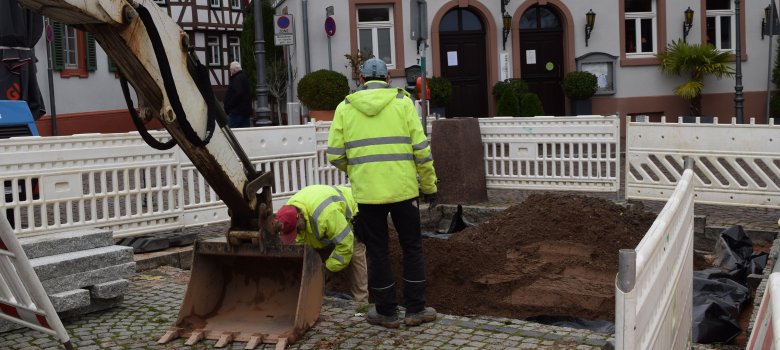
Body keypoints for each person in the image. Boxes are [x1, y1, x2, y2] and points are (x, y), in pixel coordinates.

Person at [326, 57, 438, 328]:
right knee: (412, 247)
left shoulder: (345, 107)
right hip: (404, 190)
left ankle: (386, 312)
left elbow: (334, 154)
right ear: (389, 79)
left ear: (361, 79)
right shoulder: (403, 103)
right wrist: (429, 187)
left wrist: (357, 170)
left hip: (367, 194)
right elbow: (421, 151)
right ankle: (415, 310)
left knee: (377, 251)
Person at [274, 185, 368, 303]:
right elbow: (303, 242)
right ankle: (321, 295)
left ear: (299, 218)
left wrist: (327, 269)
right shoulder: (288, 212)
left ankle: (361, 302)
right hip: (327, 224)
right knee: (320, 253)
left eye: (296, 230)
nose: (297, 233)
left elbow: (345, 244)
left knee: (355, 252)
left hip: (353, 216)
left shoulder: (325, 215)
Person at [223, 61, 252, 128]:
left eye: (230, 70)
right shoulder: (243, 77)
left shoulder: (237, 79)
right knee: (244, 133)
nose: (230, 72)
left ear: (234, 70)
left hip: (236, 112)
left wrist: (228, 105)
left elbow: (237, 94)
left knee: (233, 133)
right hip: (244, 112)